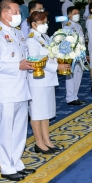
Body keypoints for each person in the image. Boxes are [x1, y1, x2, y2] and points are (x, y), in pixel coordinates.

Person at [0, 0, 36, 181]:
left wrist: (29, 65)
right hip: (5, 92)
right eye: (15, 11)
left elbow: (23, 58)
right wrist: (17, 65)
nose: (19, 14)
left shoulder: (17, 33)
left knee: (20, 130)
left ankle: (16, 163)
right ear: (5, 14)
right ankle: (7, 167)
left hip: (21, 90)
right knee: (6, 131)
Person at [26, 10, 70, 154]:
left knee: (46, 113)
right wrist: (57, 67)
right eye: (42, 22)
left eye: (46, 22)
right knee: (37, 113)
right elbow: (35, 60)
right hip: (38, 80)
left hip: (47, 79)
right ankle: (39, 142)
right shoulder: (31, 39)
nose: (45, 25)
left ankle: (47, 139)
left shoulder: (44, 37)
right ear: (33, 24)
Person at [63, 5, 86, 106]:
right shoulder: (67, 26)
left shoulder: (79, 25)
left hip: (80, 55)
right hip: (72, 56)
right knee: (71, 77)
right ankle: (70, 98)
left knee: (78, 76)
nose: (77, 15)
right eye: (75, 13)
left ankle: (75, 96)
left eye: (78, 13)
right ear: (69, 15)